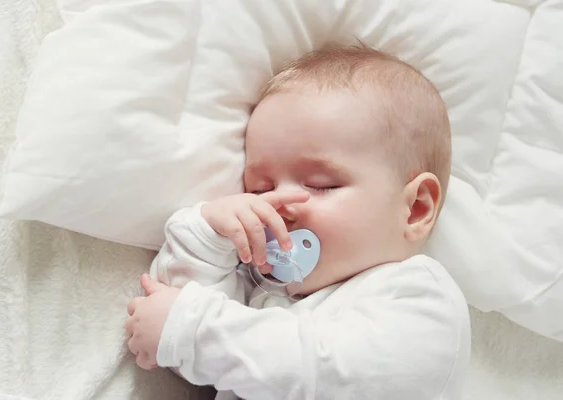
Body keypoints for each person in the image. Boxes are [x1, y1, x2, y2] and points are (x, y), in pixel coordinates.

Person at [125, 43, 470, 400]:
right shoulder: (268, 297)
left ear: (415, 209)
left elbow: (324, 371)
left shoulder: (421, 299)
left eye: (321, 185)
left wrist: (191, 331)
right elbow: (191, 339)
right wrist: (207, 237)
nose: (280, 206)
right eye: (260, 189)